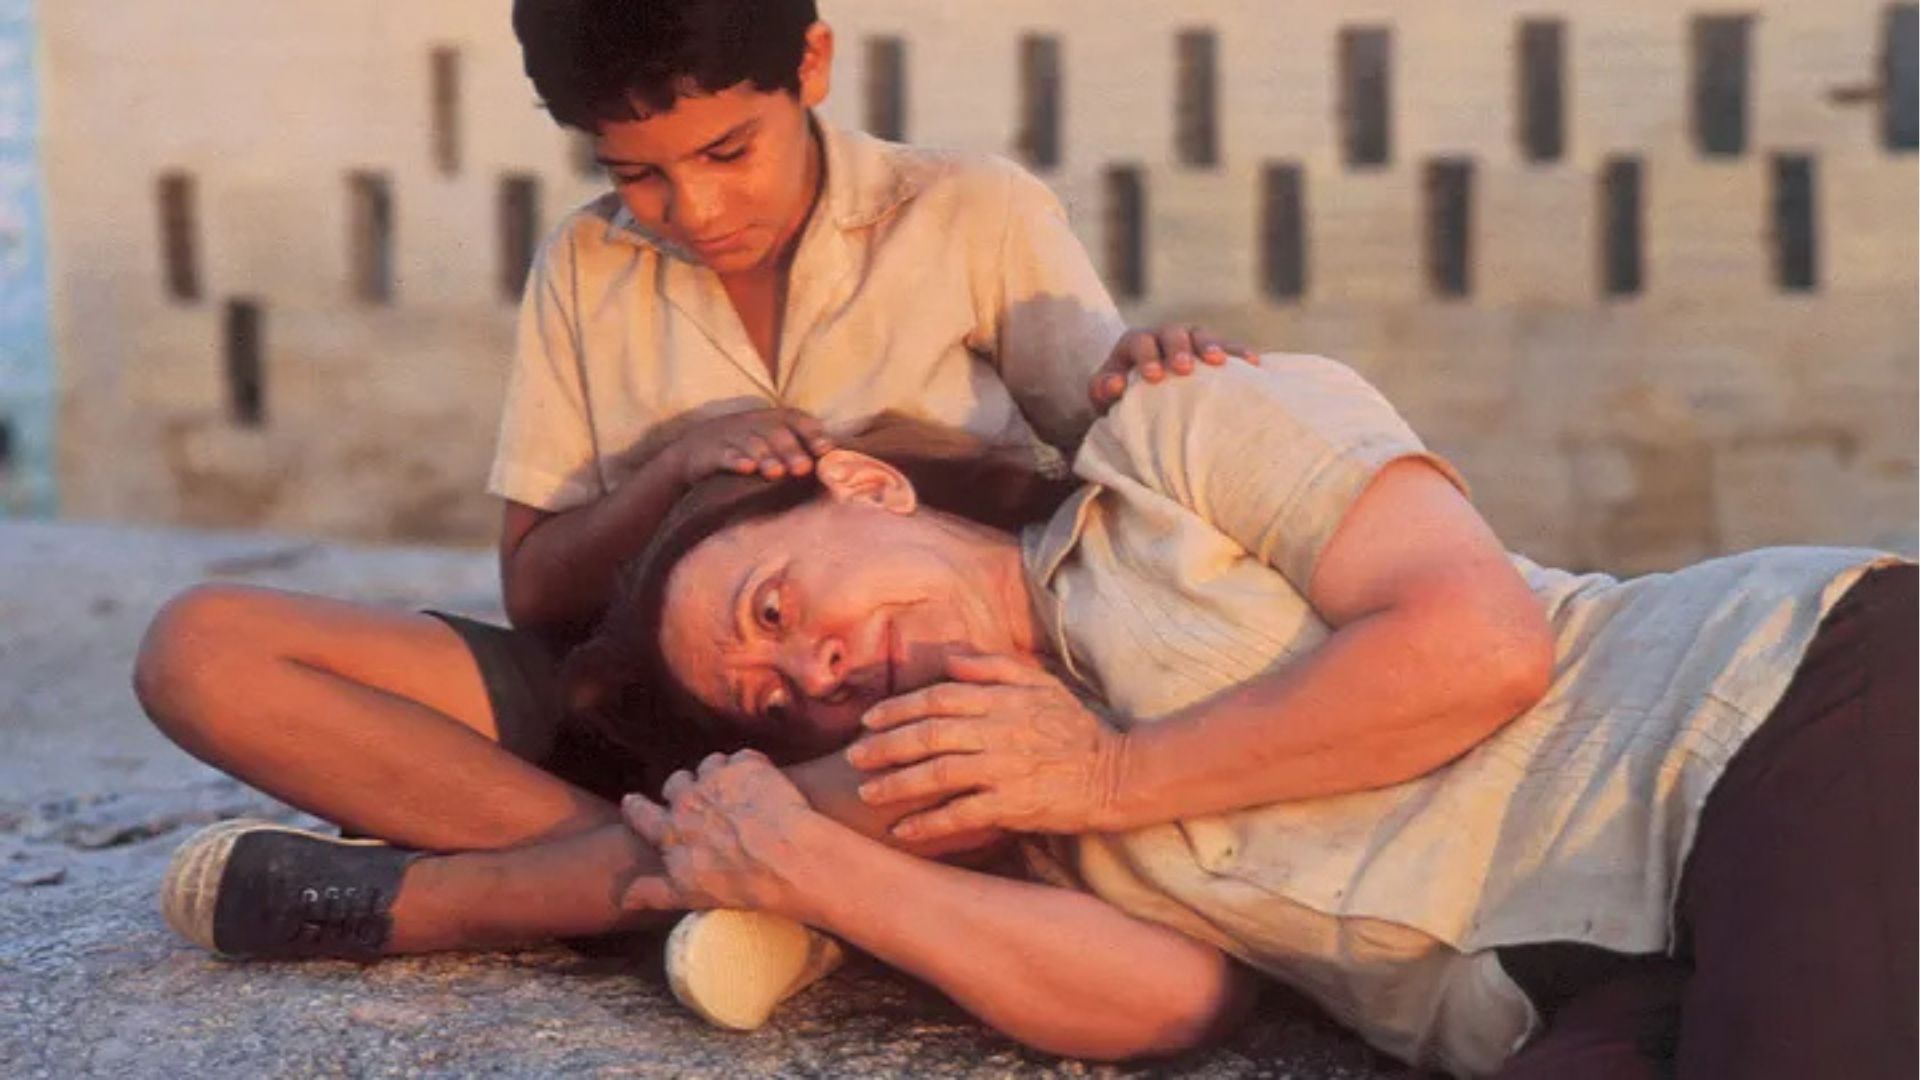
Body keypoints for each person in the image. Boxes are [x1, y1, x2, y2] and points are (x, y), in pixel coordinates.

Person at [136, 0, 1244, 1027]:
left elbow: (1109, 476)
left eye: (728, 153)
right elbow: (536, 590)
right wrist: (667, 474)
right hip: (645, 703)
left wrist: (1157, 375)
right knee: (202, 649)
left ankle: (518, 893)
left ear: (811, 63)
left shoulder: (970, 211)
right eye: (638, 174)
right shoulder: (589, 262)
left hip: (873, 731)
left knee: (956, 743)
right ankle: (711, 890)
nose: (697, 209)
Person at [567, 355, 1908, 1076]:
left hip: (1769, 715)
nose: (815, 672)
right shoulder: (992, 793)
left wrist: (1111, 775)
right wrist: (824, 872)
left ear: (865, 489)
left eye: (775, 609)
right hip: (1582, 984)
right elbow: (1171, 1000)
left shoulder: (1175, 443)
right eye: (775, 700)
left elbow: (1480, 647)